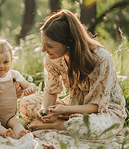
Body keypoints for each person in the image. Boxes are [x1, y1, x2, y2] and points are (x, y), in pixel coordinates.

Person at [20, 10, 127, 140]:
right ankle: (60, 123)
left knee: (88, 126)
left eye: (49, 45)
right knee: (27, 103)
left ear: (69, 42)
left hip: (104, 111)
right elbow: (51, 91)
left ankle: (58, 125)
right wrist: (45, 111)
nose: (43, 50)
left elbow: (96, 106)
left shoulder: (100, 58)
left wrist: (63, 111)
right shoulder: (52, 58)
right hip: (72, 106)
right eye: (43, 43)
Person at [0, 38, 37, 139]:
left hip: (11, 116)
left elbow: (29, 85)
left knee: (17, 123)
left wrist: (30, 88)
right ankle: (5, 132)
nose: (1, 66)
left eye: (5, 62)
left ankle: (20, 133)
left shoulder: (15, 75)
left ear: (12, 60)